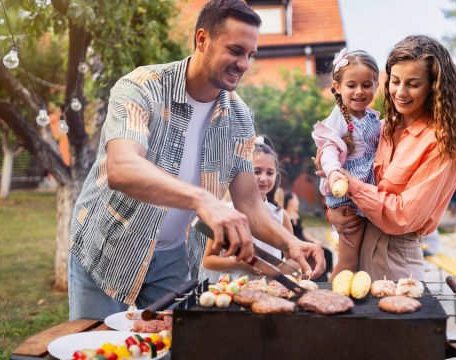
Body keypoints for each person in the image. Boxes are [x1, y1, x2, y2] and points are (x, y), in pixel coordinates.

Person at [68, 0, 324, 320]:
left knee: (181, 346)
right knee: (98, 349)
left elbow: (250, 203)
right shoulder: (142, 87)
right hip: (108, 248)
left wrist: (290, 242)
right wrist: (203, 200)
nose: (244, 64)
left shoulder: (240, 118)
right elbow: (122, 168)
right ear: (202, 40)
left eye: (250, 55)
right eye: (235, 50)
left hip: (174, 257)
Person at [318, 35, 456, 281]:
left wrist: (349, 184)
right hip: (360, 245)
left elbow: (402, 217)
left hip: (396, 257)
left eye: (413, 84)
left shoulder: (441, 142)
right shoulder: (384, 128)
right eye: (395, 81)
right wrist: (335, 212)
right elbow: (332, 164)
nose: (400, 93)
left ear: (433, 87)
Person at [311, 49, 380, 278]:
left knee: (364, 258)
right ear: (337, 87)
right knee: (349, 259)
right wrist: (333, 174)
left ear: (376, 85)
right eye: (352, 85)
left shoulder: (371, 116)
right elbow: (329, 150)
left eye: (367, 85)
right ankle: (333, 298)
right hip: (347, 196)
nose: (359, 91)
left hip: (367, 188)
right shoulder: (339, 119)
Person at [200, 138, 293, 281]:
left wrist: (280, 269)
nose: (263, 178)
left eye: (270, 173)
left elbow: (292, 259)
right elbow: (209, 260)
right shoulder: (225, 213)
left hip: (269, 292)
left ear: (276, 175)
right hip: (231, 291)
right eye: (256, 171)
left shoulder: (281, 216)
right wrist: (241, 264)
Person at [284, 192, 334, 282]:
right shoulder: (285, 215)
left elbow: (303, 231)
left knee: (327, 252)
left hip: (302, 240)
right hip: (294, 242)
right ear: (290, 201)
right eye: (296, 199)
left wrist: (314, 240)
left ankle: (322, 277)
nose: (298, 202)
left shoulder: (297, 215)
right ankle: (314, 277)